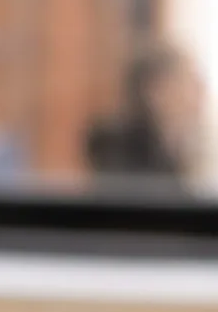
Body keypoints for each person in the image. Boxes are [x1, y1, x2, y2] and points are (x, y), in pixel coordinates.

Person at [84, 41, 205, 197]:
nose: (199, 91)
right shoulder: (121, 151)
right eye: (188, 80)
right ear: (156, 91)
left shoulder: (171, 152)